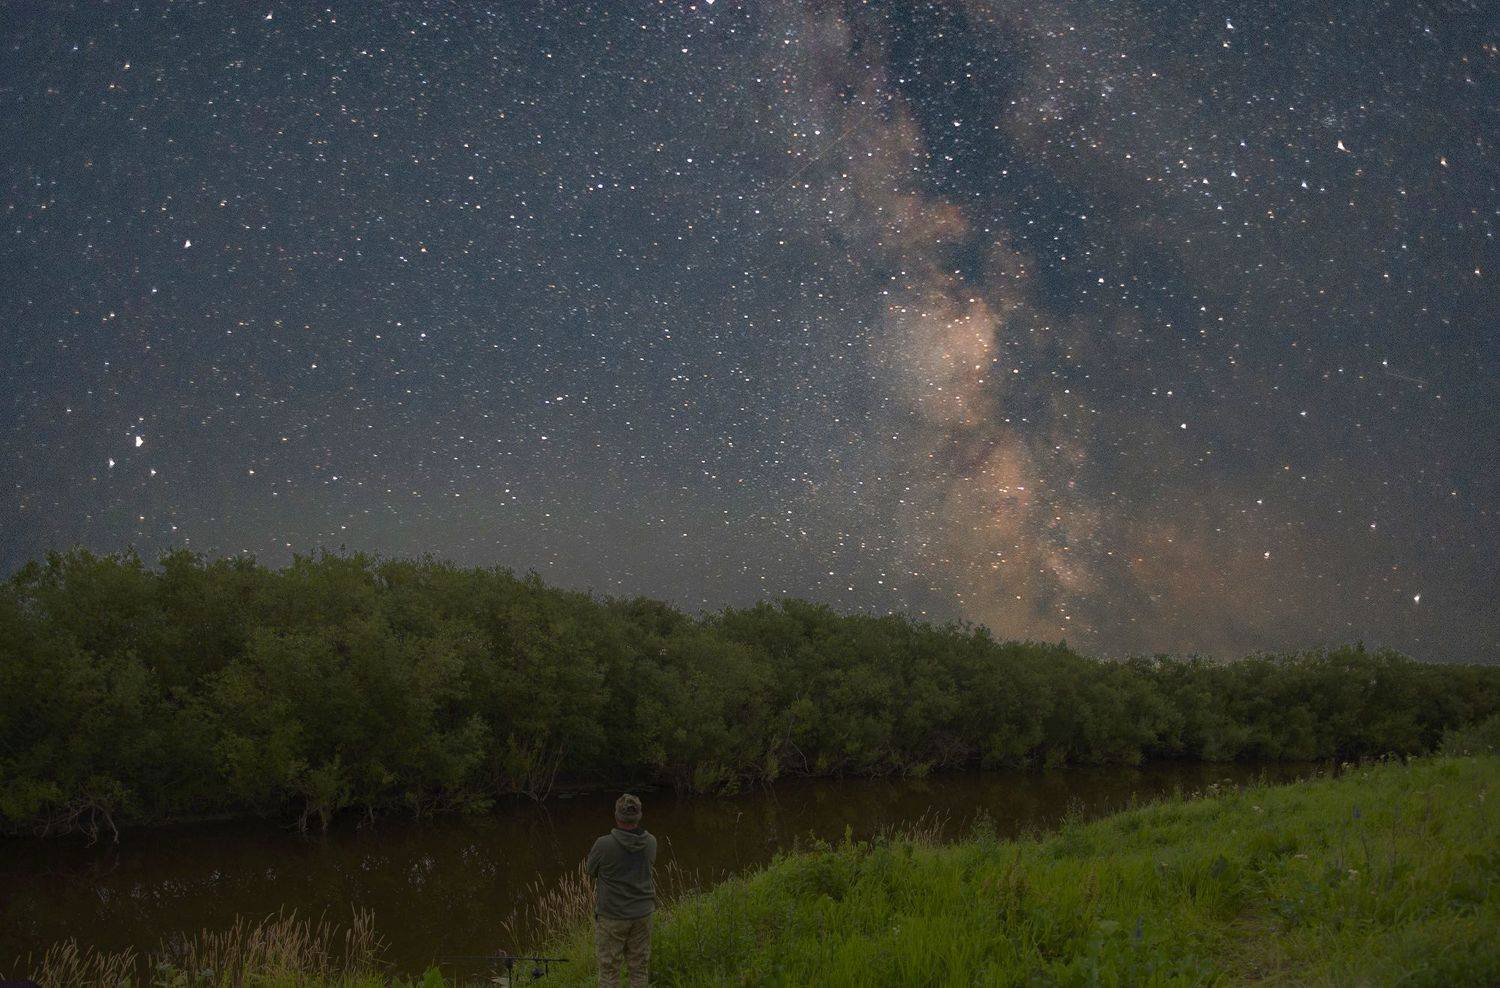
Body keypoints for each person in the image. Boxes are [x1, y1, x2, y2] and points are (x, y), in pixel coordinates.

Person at [585, 793, 657, 988]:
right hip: (643, 913)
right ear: (639, 816)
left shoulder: (603, 844)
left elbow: (590, 870)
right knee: (639, 969)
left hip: (612, 916)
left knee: (609, 971)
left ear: (616, 816)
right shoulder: (651, 841)